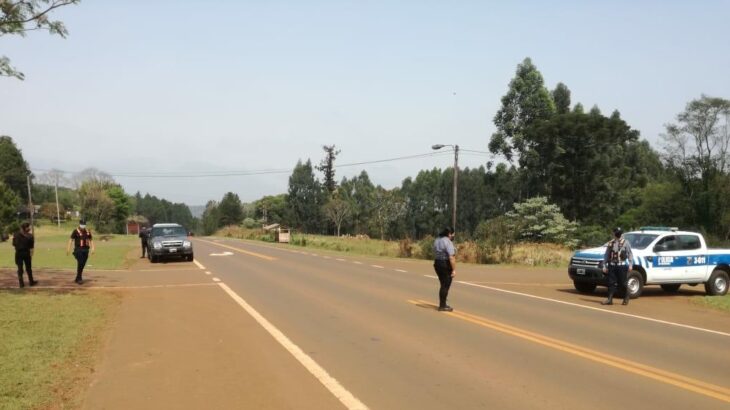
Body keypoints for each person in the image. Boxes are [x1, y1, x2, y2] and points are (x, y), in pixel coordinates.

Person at [602, 227, 633, 305]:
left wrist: (630, 264)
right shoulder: (610, 243)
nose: (618, 234)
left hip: (621, 266)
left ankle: (626, 296)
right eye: (617, 232)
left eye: (619, 232)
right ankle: (609, 299)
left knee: (622, 283)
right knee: (611, 283)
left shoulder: (626, 242)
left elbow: (630, 254)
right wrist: (604, 265)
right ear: (614, 233)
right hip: (612, 265)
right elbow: (607, 255)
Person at [433, 227, 456, 312]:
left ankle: (443, 303)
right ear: (449, 233)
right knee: (445, 285)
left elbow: (434, 251)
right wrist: (453, 269)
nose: (453, 236)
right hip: (445, 264)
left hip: (437, 263)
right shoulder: (447, 241)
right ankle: (442, 305)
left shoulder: (437, 240)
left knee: (443, 284)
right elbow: (451, 257)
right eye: (453, 234)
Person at [67, 219, 95, 284]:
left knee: (82, 264)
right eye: (82, 224)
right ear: (79, 224)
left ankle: (78, 277)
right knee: (81, 262)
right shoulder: (75, 231)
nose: (83, 225)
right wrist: (68, 248)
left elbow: (91, 240)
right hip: (78, 250)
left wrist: (93, 248)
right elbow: (71, 240)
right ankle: (79, 278)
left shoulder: (88, 232)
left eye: (84, 224)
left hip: (86, 250)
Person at [12, 222, 36, 288]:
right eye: (28, 227)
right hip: (26, 253)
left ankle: (21, 284)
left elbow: (13, 244)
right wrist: (31, 255)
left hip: (18, 253)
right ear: (25, 228)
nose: (29, 228)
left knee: (20, 269)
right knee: (28, 268)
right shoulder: (30, 236)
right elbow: (31, 247)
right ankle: (31, 282)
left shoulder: (16, 234)